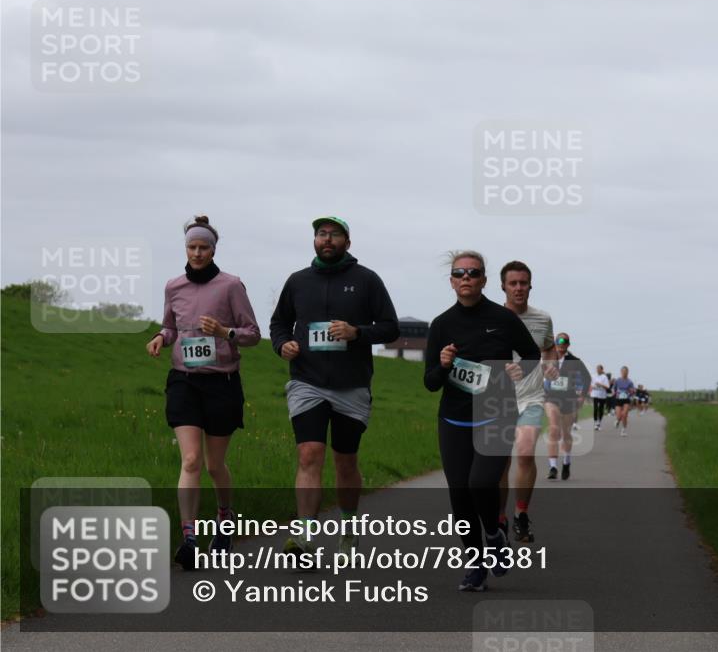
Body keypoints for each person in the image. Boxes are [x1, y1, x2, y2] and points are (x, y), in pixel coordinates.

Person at [269, 216, 399, 556]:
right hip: (306, 380)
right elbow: (279, 323)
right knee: (309, 454)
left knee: (345, 461)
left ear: (347, 242)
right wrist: (282, 344)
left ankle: (349, 528)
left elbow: (389, 327)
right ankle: (304, 537)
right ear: (314, 241)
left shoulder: (366, 280)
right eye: (321, 234)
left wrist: (357, 333)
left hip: (351, 385)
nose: (327, 240)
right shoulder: (298, 282)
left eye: (334, 235)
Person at [146, 216, 261, 570]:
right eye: (191, 247)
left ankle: (225, 517)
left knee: (214, 465)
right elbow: (170, 325)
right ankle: (190, 539)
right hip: (183, 380)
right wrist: (160, 338)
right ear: (186, 248)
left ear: (213, 250)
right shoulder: (174, 286)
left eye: (203, 247)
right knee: (191, 460)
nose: (197, 253)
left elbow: (253, 333)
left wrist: (226, 331)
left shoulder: (231, 286)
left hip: (222, 383)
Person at [424, 251, 541, 592]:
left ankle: (494, 533)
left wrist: (523, 368)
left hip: (496, 414)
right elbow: (430, 382)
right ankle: (475, 565)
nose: (466, 278)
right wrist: (444, 365)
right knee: (460, 498)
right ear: (451, 281)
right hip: (454, 419)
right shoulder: (442, 325)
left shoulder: (501, 319)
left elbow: (532, 353)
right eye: (459, 273)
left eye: (473, 273)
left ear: (484, 280)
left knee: (481, 484)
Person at [496, 261, 557, 544]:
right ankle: (499, 518)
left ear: (531, 285)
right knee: (499, 462)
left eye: (523, 283)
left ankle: (521, 513)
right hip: (497, 399)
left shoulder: (542, 319)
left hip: (531, 396)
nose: (519, 288)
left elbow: (548, 347)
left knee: (525, 452)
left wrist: (552, 365)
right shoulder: (490, 317)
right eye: (513, 283)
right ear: (503, 287)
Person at [544, 334, 591, 481]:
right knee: (553, 428)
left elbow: (587, 378)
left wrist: (582, 395)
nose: (561, 344)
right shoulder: (548, 360)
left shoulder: (575, 362)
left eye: (564, 342)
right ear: (555, 343)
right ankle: (553, 467)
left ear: (568, 345)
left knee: (566, 433)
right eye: (559, 341)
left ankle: (566, 462)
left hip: (569, 400)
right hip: (551, 398)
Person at [612, 366, 637, 436]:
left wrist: (632, 391)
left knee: (625, 415)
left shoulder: (630, 382)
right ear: (621, 372)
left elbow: (633, 390)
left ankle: (623, 430)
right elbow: (614, 389)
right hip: (618, 399)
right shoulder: (617, 380)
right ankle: (617, 421)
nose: (624, 373)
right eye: (623, 371)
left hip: (626, 399)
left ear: (627, 372)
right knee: (618, 415)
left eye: (625, 371)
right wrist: (614, 392)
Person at [589, 364, 611, 431]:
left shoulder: (604, 377)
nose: (598, 370)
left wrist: (600, 384)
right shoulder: (593, 376)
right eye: (597, 368)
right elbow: (591, 384)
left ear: (602, 370)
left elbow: (607, 387)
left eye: (599, 369)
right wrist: (593, 386)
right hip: (595, 394)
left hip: (602, 395)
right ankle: (595, 423)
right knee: (595, 408)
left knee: (601, 409)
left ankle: (599, 422)